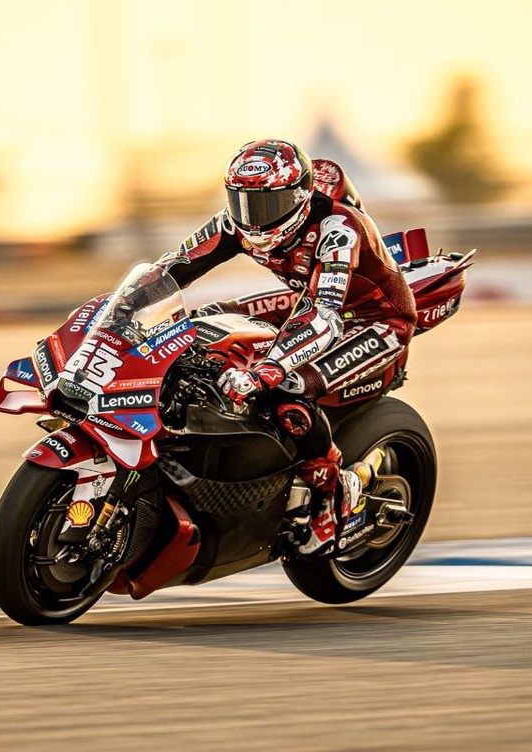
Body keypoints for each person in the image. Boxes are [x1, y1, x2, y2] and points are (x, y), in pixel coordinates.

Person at [161, 138, 418, 557]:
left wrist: (267, 369)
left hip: (373, 320)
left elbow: (322, 316)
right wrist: (121, 310)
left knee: (288, 388)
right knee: (207, 320)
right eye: (243, 202)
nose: (253, 217)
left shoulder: (338, 231)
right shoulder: (234, 224)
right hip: (308, 300)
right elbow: (171, 268)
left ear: (299, 197)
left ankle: (333, 494)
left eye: (267, 204)